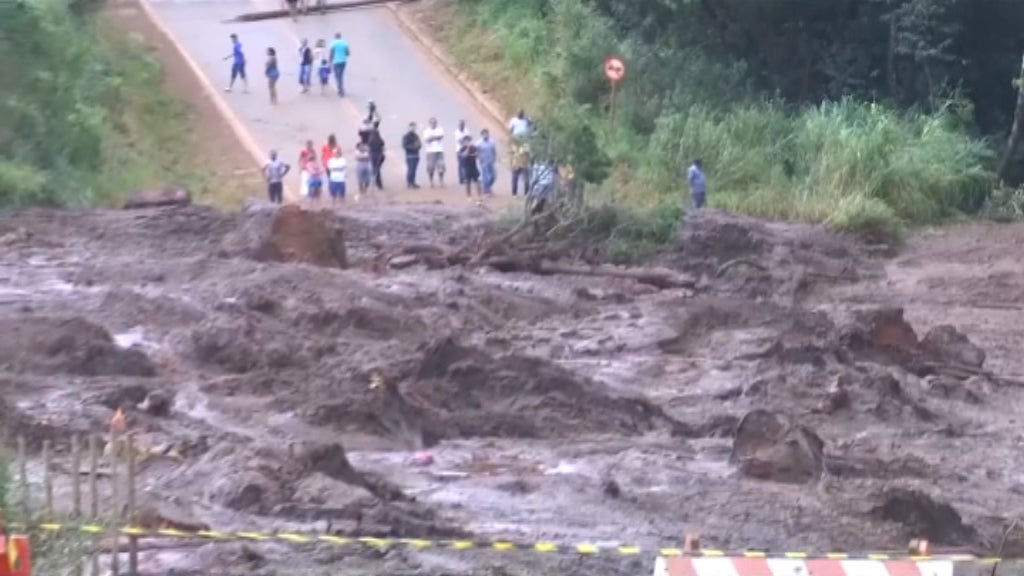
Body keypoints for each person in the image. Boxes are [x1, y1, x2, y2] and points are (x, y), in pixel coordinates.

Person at [457, 135, 481, 201]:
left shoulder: (474, 148)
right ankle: (469, 196)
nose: (468, 142)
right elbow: (464, 156)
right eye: (466, 141)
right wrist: (468, 148)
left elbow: (477, 155)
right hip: (466, 168)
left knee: (477, 182)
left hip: (474, 167)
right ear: (464, 142)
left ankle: (479, 196)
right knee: (468, 183)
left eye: (469, 141)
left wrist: (476, 154)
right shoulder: (462, 149)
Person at [422, 117, 445, 187]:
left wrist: (432, 137)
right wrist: (435, 137)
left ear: (436, 123)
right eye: (432, 122)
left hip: (439, 150)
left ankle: (441, 181)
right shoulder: (426, 131)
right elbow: (427, 140)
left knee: (441, 167)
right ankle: (431, 182)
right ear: (429, 123)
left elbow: (440, 136)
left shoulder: (440, 129)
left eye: (434, 122)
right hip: (430, 151)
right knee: (430, 168)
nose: (433, 123)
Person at [328, 32, 350, 97]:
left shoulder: (333, 43)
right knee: (341, 75)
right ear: (340, 36)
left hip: (336, 61)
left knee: (337, 76)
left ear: (335, 37)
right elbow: (348, 53)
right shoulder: (344, 43)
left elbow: (331, 54)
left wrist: (329, 62)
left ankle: (340, 90)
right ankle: (341, 89)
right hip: (343, 61)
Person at [476, 129, 497, 196]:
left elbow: (494, 150)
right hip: (483, 162)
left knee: (493, 176)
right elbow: (476, 152)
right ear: (482, 135)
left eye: (486, 134)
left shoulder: (491, 141)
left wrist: (494, 157)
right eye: (484, 134)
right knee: (486, 176)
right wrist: (479, 158)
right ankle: (487, 191)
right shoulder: (479, 143)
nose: (485, 135)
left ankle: (487, 187)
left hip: (490, 161)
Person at [402, 122, 422, 189]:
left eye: (414, 127)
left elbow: (420, 145)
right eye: (411, 127)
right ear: (409, 128)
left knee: (414, 170)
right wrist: (414, 147)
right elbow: (405, 146)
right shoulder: (406, 136)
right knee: (410, 169)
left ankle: (413, 182)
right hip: (409, 156)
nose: (413, 128)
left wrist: (417, 146)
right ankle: (409, 183)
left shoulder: (416, 136)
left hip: (416, 155)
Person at [368, 122, 386, 190]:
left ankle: (376, 182)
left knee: (375, 169)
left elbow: (369, 146)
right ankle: (378, 183)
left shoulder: (370, 139)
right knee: (377, 169)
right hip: (379, 155)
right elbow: (383, 143)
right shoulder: (378, 139)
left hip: (373, 155)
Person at [454, 120, 470, 184]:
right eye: (460, 124)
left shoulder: (467, 130)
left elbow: (469, 139)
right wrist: (465, 141)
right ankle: (461, 179)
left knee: (466, 164)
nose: (461, 125)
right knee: (461, 165)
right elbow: (460, 141)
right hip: (459, 150)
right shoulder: (456, 132)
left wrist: (466, 142)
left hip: (466, 149)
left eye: (462, 124)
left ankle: (466, 177)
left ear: (464, 125)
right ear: (458, 125)